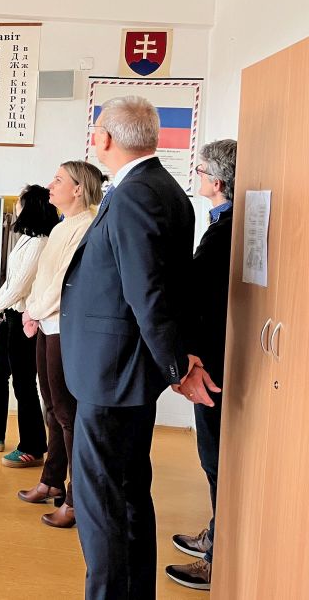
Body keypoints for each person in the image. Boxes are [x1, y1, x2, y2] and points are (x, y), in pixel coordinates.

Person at [61, 96, 202, 599]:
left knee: (102, 503)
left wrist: (176, 365)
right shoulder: (160, 188)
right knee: (125, 492)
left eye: (96, 130)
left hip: (113, 373)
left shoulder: (137, 193)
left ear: (104, 139)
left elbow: (149, 291)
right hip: (122, 369)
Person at [165, 139, 236, 592]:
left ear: (219, 182)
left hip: (213, 360)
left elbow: (193, 290)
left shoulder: (225, 230)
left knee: (215, 461)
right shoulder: (225, 223)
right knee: (214, 458)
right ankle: (216, 533)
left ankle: (216, 559)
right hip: (216, 353)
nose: (197, 175)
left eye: (202, 169)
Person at [17, 161, 104, 529]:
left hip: (63, 328)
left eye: (58, 180)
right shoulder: (61, 226)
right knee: (52, 408)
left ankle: (75, 498)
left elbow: (64, 282)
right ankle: (52, 479)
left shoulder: (86, 226)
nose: (50, 186)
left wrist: (34, 310)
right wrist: (32, 311)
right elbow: (43, 279)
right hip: (46, 323)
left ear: (78, 189)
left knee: (67, 414)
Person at [0, 184, 58, 468]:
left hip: (24, 320)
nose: (16, 204)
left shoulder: (41, 242)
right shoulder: (27, 238)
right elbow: (11, 280)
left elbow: (20, 285)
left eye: (20, 200)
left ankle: (33, 446)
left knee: (23, 382)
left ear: (30, 206)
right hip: (10, 316)